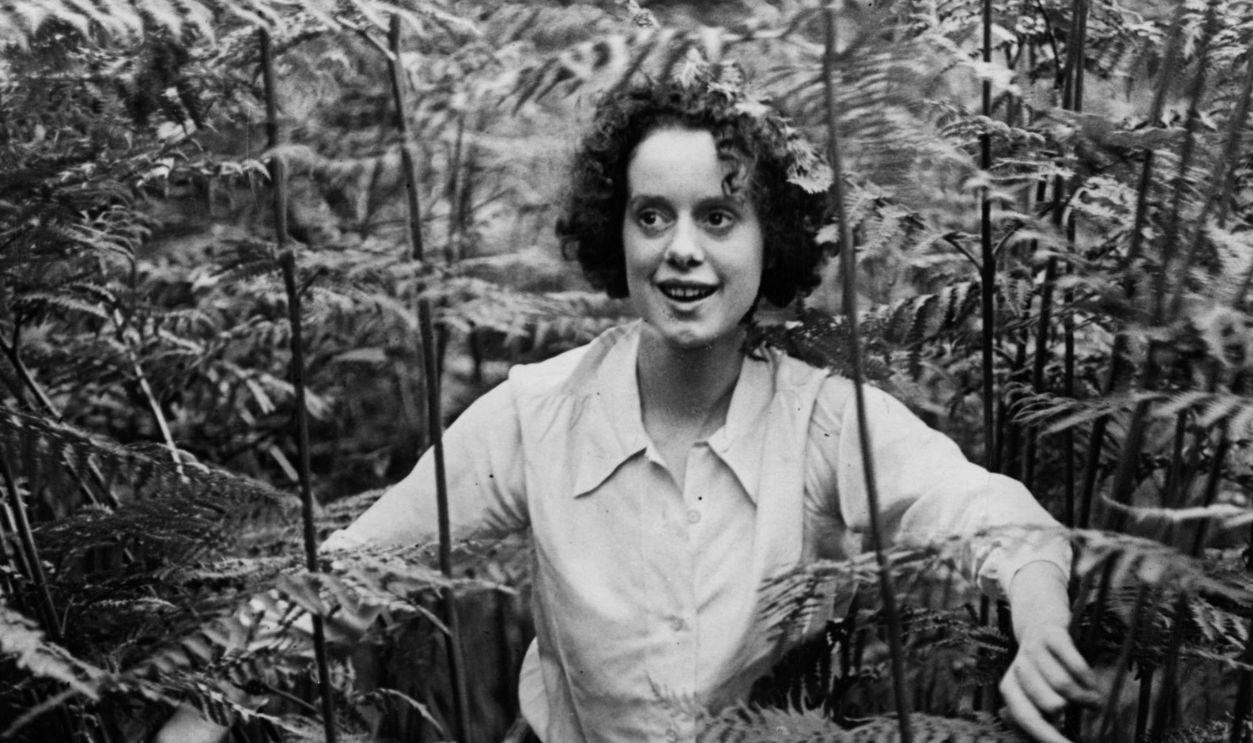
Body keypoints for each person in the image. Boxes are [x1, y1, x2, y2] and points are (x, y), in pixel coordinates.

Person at [321, 66, 1099, 743]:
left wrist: (1038, 622)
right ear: (615, 233)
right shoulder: (537, 412)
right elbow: (349, 574)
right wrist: (211, 699)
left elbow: (986, 510)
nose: (681, 248)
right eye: (651, 215)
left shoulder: (820, 421)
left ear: (772, 241)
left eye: (718, 216)